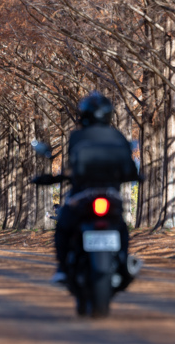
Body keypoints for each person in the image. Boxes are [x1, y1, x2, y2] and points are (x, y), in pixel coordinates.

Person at [49, 91, 140, 286]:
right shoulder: (118, 137)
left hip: (83, 194)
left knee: (63, 226)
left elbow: (71, 168)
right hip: (111, 194)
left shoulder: (77, 136)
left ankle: (63, 268)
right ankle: (123, 261)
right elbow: (130, 168)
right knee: (121, 227)